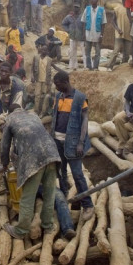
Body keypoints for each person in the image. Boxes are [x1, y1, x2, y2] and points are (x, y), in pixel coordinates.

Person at [0, 100, 61, 239]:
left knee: (27, 197)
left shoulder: (10, 120)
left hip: (34, 159)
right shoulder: (33, 116)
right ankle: (48, 225)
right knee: (49, 193)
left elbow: (4, 147)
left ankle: (21, 231)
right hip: (52, 154)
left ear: (9, 113)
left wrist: (4, 164)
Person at [51, 71, 95, 219]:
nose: (56, 87)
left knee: (77, 175)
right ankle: (64, 199)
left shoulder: (80, 98)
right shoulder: (58, 97)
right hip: (58, 141)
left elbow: (84, 121)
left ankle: (87, 205)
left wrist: (81, 142)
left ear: (65, 82)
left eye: (57, 84)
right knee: (61, 172)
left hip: (73, 143)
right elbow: (55, 117)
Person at [81, 0, 105, 70]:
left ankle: (95, 67)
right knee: (87, 52)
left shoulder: (102, 10)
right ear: (90, 1)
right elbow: (84, 22)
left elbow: (103, 24)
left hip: (97, 35)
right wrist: (83, 33)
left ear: (97, 1)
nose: (93, 1)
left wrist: (101, 35)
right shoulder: (87, 9)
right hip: (88, 34)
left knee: (97, 53)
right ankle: (88, 66)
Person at [30, 42, 52, 117]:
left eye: (45, 50)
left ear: (47, 51)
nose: (44, 52)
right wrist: (32, 76)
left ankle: (43, 112)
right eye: (43, 50)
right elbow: (32, 68)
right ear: (40, 50)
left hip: (46, 81)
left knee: (45, 96)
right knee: (37, 95)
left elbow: (53, 68)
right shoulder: (36, 57)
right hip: (38, 80)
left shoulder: (49, 60)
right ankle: (36, 111)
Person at [63, 4, 86, 70]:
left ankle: (86, 66)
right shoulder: (69, 17)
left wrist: (84, 35)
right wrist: (68, 30)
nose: (76, 9)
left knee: (84, 52)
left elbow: (85, 25)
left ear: (79, 9)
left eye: (77, 7)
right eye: (75, 7)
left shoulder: (82, 16)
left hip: (81, 37)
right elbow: (63, 23)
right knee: (72, 52)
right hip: (72, 37)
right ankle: (73, 66)